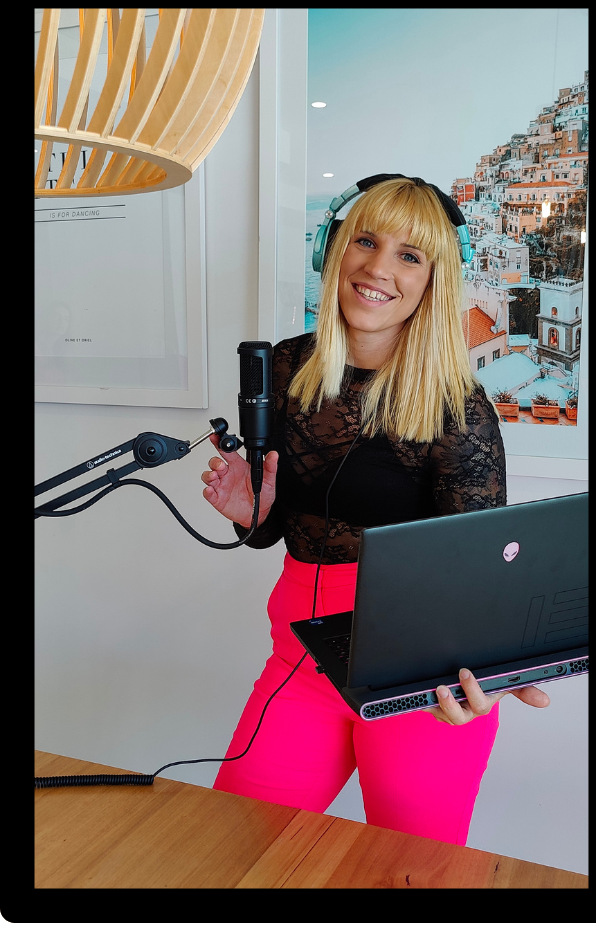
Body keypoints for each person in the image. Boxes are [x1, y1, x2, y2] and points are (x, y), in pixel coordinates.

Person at [200, 176, 549, 845]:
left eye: (409, 256)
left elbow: (482, 574)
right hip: (298, 662)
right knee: (236, 849)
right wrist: (254, 512)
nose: (377, 267)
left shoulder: (458, 406)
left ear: (432, 281)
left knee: (412, 874)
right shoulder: (283, 368)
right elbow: (280, 529)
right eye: (365, 240)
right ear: (332, 250)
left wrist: (500, 670)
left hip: (421, 682)